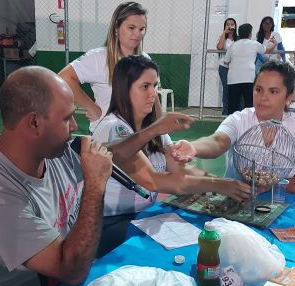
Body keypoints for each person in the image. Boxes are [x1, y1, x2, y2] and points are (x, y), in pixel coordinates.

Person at [0, 66, 113, 286]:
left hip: (58, 280)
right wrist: (95, 185)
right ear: (34, 122)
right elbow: (72, 270)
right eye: (66, 118)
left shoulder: (51, 151)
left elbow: (116, 156)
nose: (74, 126)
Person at [92, 55, 251, 253]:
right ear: (124, 89)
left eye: (155, 86)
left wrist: (225, 183)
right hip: (111, 221)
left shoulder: (154, 127)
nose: (153, 94)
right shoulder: (114, 127)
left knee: (201, 230)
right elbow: (154, 180)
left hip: (145, 214)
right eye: (145, 86)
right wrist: (217, 185)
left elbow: (181, 171)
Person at [170, 61, 295, 195]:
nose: (263, 97)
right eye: (258, 89)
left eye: (273, 91)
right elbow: (218, 141)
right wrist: (194, 147)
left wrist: (271, 187)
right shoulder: (239, 119)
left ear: (289, 96)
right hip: (237, 199)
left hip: (281, 202)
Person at [59, 1, 148, 132]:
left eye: (141, 29)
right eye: (131, 28)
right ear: (116, 28)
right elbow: (64, 77)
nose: (137, 34)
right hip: (106, 134)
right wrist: (90, 106)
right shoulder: (99, 57)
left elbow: (153, 100)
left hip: (137, 133)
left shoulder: (145, 60)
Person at [221, 23, 275, 114]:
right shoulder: (254, 44)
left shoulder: (233, 45)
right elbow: (267, 50)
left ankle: (232, 121)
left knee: (233, 105)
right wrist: (274, 44)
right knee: (249, 104)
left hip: (233, 78)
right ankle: (250, 121)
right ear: (250, 33)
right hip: (249, 77)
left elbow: (226, 61)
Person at [216, 17, 239, 115]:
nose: (230, 26)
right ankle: (226, 111)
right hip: (224, 68)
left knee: (236, 89)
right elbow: (220, 47)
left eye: (232, 24)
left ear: (235, 26)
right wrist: (224, 33)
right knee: (226, 89)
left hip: (236, 68)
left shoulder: (238, 38)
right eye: (228, 24)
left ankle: (235, 110)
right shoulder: (222, 37)